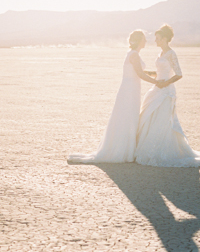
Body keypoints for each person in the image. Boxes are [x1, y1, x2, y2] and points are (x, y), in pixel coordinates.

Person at [134, 24, 200, 167]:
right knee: (151, 117)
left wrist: (166, 83)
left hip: (166, 92)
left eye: (157, 38)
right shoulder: (161, 54)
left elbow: (179, 74)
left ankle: (161, 150)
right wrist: (146, 73)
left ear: (164, 39)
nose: (155, 41)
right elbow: (161, 72)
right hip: (157, 89)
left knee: (163, 120)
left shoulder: (171, 53)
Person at [68, 30, 171, 163]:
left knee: (129, 117)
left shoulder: (134, 54)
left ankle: (127, 149)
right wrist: (157, 82)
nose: (146, 41)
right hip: (129, 90)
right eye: (144, 39)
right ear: (139, 41)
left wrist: (153, 73)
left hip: (131, 89)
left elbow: (139, 71)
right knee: (127, 117)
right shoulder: (133, 54)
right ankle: (123, 150)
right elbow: (139, 74)